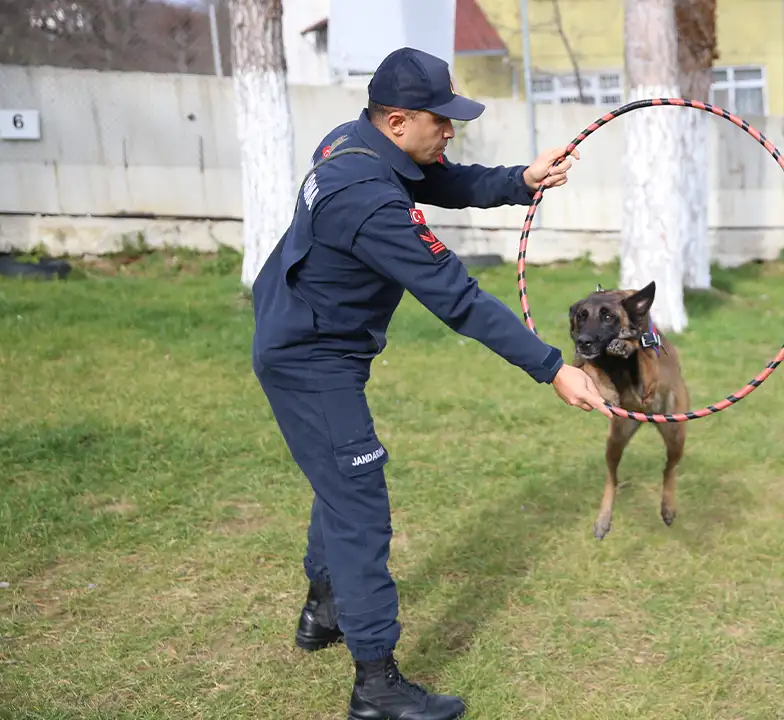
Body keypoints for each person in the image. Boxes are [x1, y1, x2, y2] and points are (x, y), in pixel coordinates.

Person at [250, 46, 607, 720]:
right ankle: (376, 687)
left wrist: (519, 180)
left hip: (307, 338)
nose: (450, 131)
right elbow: (459, 299)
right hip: (312, 360)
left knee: (338, 478)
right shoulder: (368, 202)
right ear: (397, 122)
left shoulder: (351, 142)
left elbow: (438, 179)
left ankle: (324, 609)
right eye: (440, 120)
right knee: (359, 504)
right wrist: (553, 367)